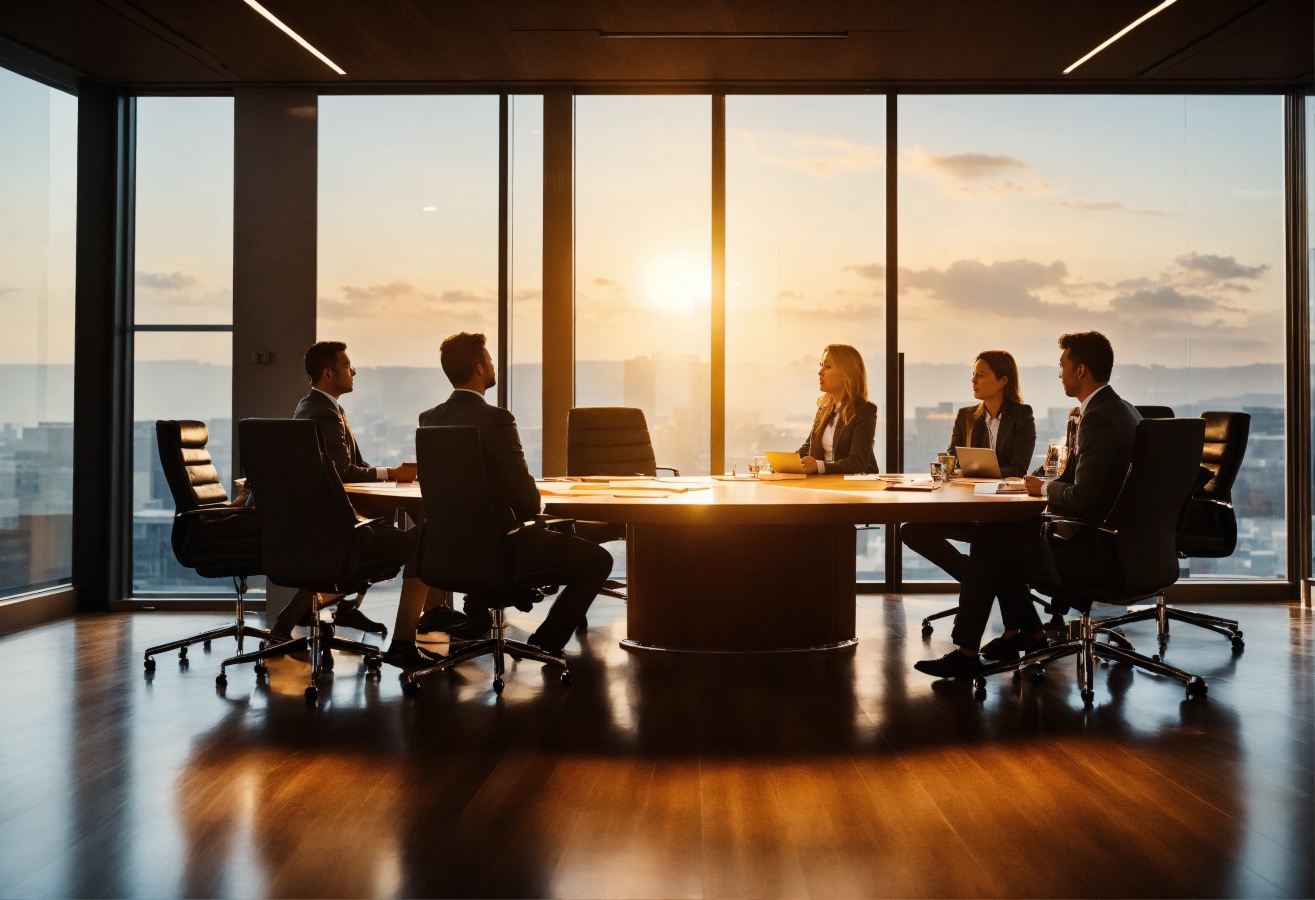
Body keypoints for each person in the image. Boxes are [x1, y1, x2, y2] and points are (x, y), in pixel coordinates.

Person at [914, 331, 1142, 678]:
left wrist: (1044, 491)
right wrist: (1045, 483)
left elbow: (1083, 497)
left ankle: (966, 653)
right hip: (1114, 538)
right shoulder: (1123, 410)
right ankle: (1031, 634)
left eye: (1063, 365)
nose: (1059, 373)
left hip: (1090, 545)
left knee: (992, 541)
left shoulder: (1097, 417)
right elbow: (1080, 479)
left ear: (1080, 370)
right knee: (999, 536)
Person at [269, 341, 468, 668]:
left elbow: (345, 467)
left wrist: (392, 474)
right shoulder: (322, 412)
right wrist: (391, 473)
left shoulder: (316, 406)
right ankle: (412, 633)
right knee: (423, 538)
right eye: (348, 366)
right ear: (329, 372)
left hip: (318, 523)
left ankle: (319, 611)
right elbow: (344, 472)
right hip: (336, 527)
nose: (354, 371)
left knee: (406, 524)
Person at [417, 332, 613, 658]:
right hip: (502, 548)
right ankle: (547, 642)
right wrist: (542, 508)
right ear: (480, 369)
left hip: (453, 549)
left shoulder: (430, 419)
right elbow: (524, 499)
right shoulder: (496, 420)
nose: (493, 365)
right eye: (491, 359)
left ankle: (480, 612)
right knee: (597, 560)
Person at [902, 350, 1036, 580]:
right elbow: (951, 459)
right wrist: (943, 469)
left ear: (1003, 380)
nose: (973, 380)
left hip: (1001, 512)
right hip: (968, 507)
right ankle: (974, 576)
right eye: (973, 374)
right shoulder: (966, 416)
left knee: (989, 536)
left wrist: (977, 475)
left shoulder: (1022, 415)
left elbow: (1018, 469)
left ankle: (979, 580)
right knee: (912, 530)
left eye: (981, 375)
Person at [797, 344, 878, 475]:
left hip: (856, 486)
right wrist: (780, 464)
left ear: (846, 372)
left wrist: (819, 466)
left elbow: (857, 463)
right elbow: (807, 449)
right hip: (827, 485)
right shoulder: (823, 410)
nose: (820, 372)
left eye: (827, 366)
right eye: (821, 365)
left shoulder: (864, 410)